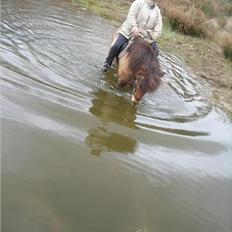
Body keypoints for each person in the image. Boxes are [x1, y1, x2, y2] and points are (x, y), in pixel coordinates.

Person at [101, 0, 163, 72]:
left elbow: (159, 25)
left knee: (156, 52)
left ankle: (149, 74)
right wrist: (134, 27)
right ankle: (107, 64)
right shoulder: (138, 3)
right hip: (129, 31)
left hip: (146, 37)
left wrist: (156, 33)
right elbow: (131, 16)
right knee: (115, 46)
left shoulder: (157, 11)